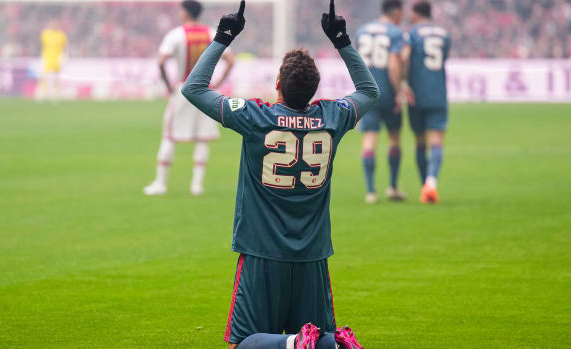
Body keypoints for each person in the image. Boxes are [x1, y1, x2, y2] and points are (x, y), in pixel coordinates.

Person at [181, 1, 377, 348]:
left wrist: (223, 37)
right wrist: (342, 41)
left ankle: (291, 344)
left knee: (244, 343)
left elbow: (193, 88)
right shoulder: (333, 118)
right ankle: (335, 343)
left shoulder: (256, 117)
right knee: (320, 340)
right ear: (315, 89)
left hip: (261, 253)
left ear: (278, 84)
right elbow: (369, 90)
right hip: (312, 256)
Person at [143, 0, 235, 196]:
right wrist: (217, 84)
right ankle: (197, 185)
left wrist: (168, 86)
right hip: (206, 92)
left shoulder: (176, 34)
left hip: (183, 89)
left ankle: (161, 183)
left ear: (185, 12)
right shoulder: (211, 33)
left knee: (169, 136)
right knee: (202, 138)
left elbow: (161, 62)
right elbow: (230, 60)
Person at [355, 0, 408, 204]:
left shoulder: (363, 31)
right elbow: (394, 65)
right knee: (394, 138)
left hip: (367, 94)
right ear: (395, 12)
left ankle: (370, 191)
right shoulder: (395, 32)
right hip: (386, 91)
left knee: (369, 139)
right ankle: (393, 187)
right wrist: (399, 91)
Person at [401, 1, 451, 203]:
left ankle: (425, 186)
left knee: (420, 142)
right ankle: (431, 183)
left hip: (416, 95)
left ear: (415, 14)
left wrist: (403, 82)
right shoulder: (444, 34)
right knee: (437, 141)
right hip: (438, 94)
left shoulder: (411, 34)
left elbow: (404, 57)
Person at [38, 20, 67, 100]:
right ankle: (42, 93)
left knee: (56, 77)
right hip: (47, 58)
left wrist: (64, 57)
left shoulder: (61, 35)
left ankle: (56, 94)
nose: (53, 26)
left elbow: (64, 47)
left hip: (57, 58)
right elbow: (42, 45)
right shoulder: (45, 34)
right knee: (45, 76)